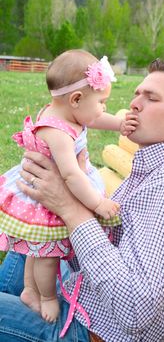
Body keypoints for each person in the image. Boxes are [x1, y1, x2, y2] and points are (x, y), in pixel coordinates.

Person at [0, 59, 164, 342]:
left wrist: (69, 208)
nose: (135, 104)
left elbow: (134, 310)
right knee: (34, 231)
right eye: (137, 94)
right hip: (82, 297)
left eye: (151, 98)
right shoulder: (156, 168)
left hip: (89, 330)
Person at [0, 49, 137, 325]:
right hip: (49, 197)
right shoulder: (59, 134)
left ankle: (28, 289)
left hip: (48, 189)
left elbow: (95, 119)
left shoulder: (68, 113)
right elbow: (72, 177)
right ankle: (46, 296)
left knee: (35, 247)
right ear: (76, 99)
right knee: (48, 254)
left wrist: (120, 124)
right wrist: (98, 204)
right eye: (102, 101)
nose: (103, 109)